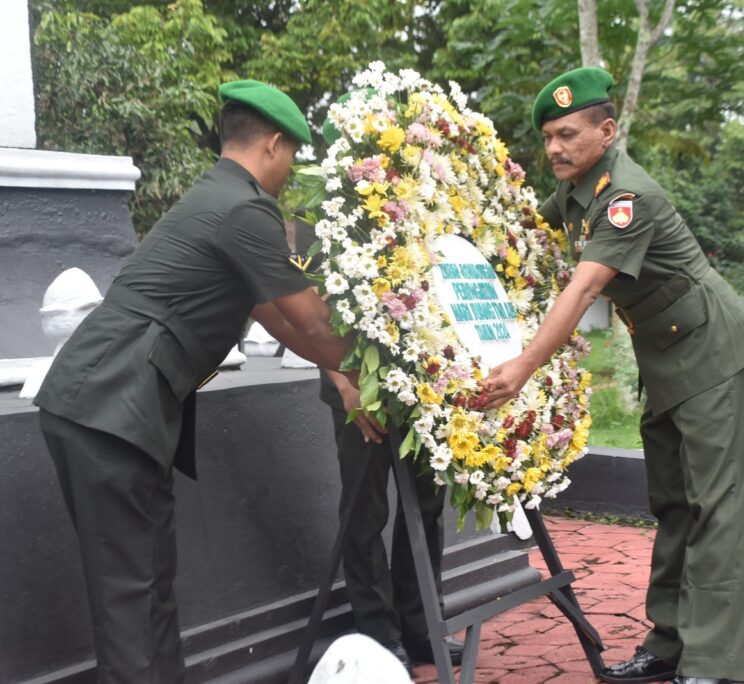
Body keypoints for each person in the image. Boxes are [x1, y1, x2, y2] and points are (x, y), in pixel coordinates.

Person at [35, 79, 357, 683]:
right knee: (130, 602)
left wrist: (339, 371)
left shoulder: (218, 196)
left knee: (150, 583)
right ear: (273, 143)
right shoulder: (245, 209)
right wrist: (383, 370)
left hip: (115, 410)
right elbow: (312, 315)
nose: (290, 170)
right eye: (292, 156)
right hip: (108, 411)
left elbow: (270, 313)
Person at [481, 67, 744, 684]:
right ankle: (669, 649)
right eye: (548, 137)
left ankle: (715, 666)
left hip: (716, 358)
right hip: (668, 361)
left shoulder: (625, 197)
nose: (554, 148)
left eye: (568, 134)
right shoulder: (579, 189)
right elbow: (523, 234)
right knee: (673, 505)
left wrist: (525, 366)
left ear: (606, 131)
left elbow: (584, 287)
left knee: (717, 510)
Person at [311, 105, 464, 669]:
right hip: (357, 389)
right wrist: (346, 386)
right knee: (365, 507)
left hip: (420, 386)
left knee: (426, 506)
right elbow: (310, 320)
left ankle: (423, 624)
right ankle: (377, 633)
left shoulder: (417, 210)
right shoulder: (325, 218)